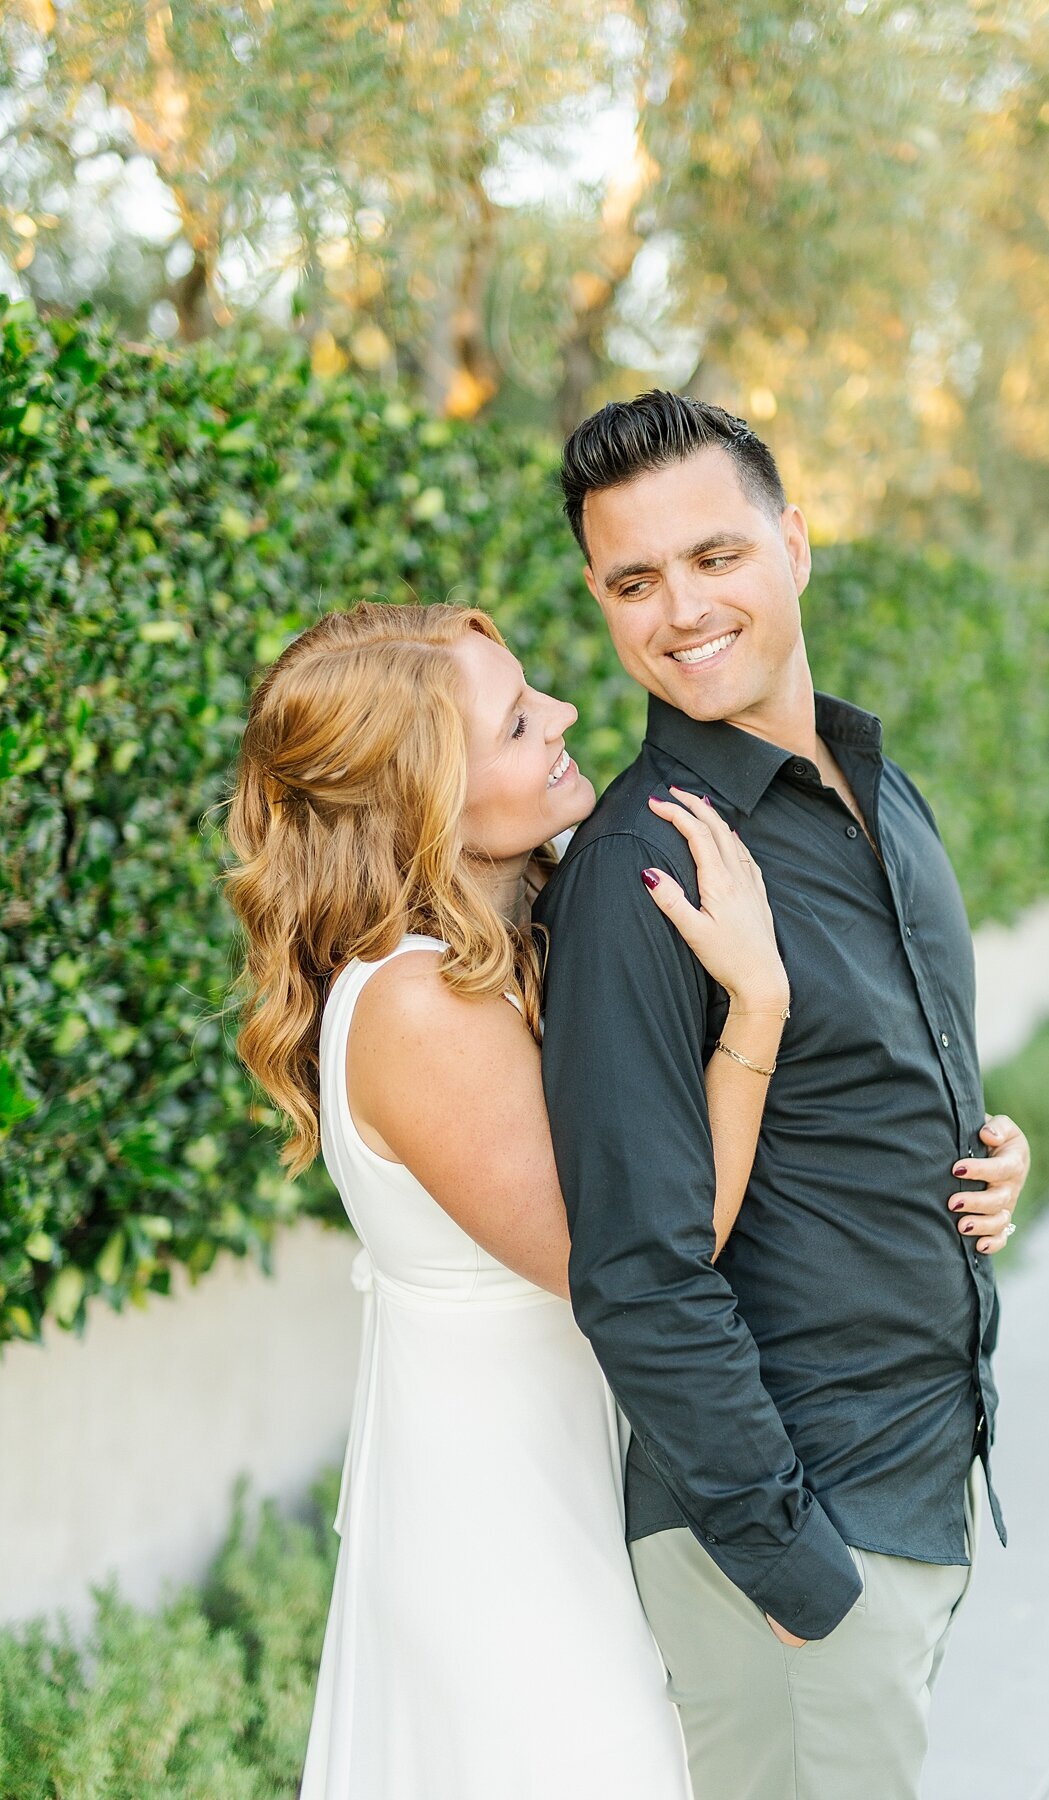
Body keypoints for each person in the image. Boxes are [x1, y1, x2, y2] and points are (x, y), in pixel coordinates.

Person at [534, 390, 1032, 1800]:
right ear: (601, 601)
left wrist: (993, 1150)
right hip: (799, 1532)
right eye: (635, 581)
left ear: (795, 546)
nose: (681, 608)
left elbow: (899, 1058)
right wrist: (792, 1562)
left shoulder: (883, 787)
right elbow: (634, 1266)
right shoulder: (642, 875)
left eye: (715, 557)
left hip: (919, 1475)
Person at [224, 598, 808, 1799]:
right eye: (513, 723)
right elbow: (650, 1250)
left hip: (562, 1492)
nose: (565, 716)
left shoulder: (516, 942)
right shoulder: (414, 1003)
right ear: (418, 796)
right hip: (499, 1539)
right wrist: (755, 1012)